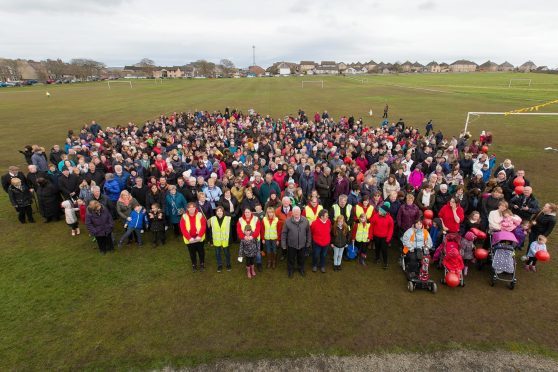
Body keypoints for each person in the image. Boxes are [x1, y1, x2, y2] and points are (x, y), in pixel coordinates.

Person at [281, 206, 311, 278]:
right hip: (291, 245)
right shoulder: (287, 221)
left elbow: (308, 233)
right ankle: (290, 270)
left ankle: (301, 269)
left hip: (302, 244)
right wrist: (284, 245)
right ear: (292, 213)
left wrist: (308, 243)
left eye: (298, 212)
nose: (296, 213)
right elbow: (284, 233)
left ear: (300, 212)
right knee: (291, 258)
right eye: (295, 212)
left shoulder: (305, 220)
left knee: (301, 258)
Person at [179, 202, 207, 272]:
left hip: (199, 238)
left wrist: (200, 236)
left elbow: (203, 226)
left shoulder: (200, 215)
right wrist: (189, 238)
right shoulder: (184, 216)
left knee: (201, 252)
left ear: (195, 208)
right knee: (192, 253)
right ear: (187, 209)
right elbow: (183, 228)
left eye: (193, 207)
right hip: (189, 239)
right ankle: (194, 265)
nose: (191, 209)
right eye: (189, 207)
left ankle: (202, 264)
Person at [370, 201, 394, 269]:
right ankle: (377, 258)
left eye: (381, 210)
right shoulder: (375, 216)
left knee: (384, 250)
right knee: (377, 248)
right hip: (376, 236)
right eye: (380, 209)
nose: (379, 211)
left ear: (385, 212)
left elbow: (391, 230)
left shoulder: (390, 219)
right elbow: (371, 226)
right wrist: (371, 235)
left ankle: (385, 262)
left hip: (384, 237)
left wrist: (388, 238)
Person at [208, 206, 232, 272]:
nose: (219, 212)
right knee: (217, 253)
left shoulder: (228, 219)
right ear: (216, 212)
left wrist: (230, 239)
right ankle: (219, 265)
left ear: (223, 212)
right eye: (218, 211)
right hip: (216, 240)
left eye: (220, 211)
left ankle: (228, 264)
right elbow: (210, 230)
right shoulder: (212, 219)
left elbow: (230, 230)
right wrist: (211, 240)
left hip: (225, 240)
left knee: (227, 253)